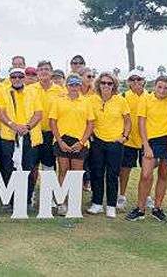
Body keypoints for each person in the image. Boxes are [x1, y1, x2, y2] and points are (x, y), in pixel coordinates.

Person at [126, 75, 167, 222]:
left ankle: (157, 208)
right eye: (160, 87)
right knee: (146, 175)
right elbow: (141, 123)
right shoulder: (145, 99)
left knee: (163, 175)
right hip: (150, 142)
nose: (162, 90)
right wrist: (146, 146)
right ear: (154, 86)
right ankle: (140, 209)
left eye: (166, 88)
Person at [0, 68, 43, 206]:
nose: (17, 79)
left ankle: (26, 199)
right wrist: (13, 125)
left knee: (28, 167)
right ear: (10, 78)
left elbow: (38, 114)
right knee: (8, 168)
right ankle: (10, 200)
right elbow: (0, 113)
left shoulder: (33, 92)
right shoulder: (3, 91)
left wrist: (27, 127)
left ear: (24, 78)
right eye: (14, 77)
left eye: (20, 76)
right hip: (9, 136)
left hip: (28, 135)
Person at [49, 73, 95, 216]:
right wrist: (60, 141)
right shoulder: (59, 100)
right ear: (67, 86)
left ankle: (74, 203)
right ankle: (61, 202)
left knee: (76, 173)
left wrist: (81, 142)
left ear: (80, 86)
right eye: (71, 85)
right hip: (62, 139)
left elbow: (90, 123)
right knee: (63, 170)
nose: (74, 87)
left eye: (76, 85)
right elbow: (53, 122)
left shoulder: (86, 102)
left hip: (79, 141)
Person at [87, 72, 130, 218]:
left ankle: (111, 205)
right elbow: (89, 120)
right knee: (97, 172)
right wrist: (91, 136)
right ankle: (97, 203)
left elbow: (128, 120)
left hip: (115, 143)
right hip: (97, 142)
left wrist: (124, 136)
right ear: (98, 84)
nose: (106, 85)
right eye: (103, 83)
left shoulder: (120, 101)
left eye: (109, 83)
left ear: (114, 86)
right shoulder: (92, 100)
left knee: (112, 174)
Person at [118, 69, 148, 210]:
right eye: (132, 79)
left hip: (146, 141)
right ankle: (122, 196)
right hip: (128, 140)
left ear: (144, 81)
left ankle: (146, 196)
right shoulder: (123, 96)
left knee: (147, 172)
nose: (136, 82)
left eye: (139, 79)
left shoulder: (151, 97)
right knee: (125, 170)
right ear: (128, 82)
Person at [31, 61, 66, 173]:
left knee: (49, 163)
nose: (43, 71)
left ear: (51, 72)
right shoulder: (30, 89)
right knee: (32, 163)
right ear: (37, 73)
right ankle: (31, 189)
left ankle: (48, 189)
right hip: (33, 131)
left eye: (46, 69)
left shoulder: (60, 90)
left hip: (51, 132)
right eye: (40, 69)